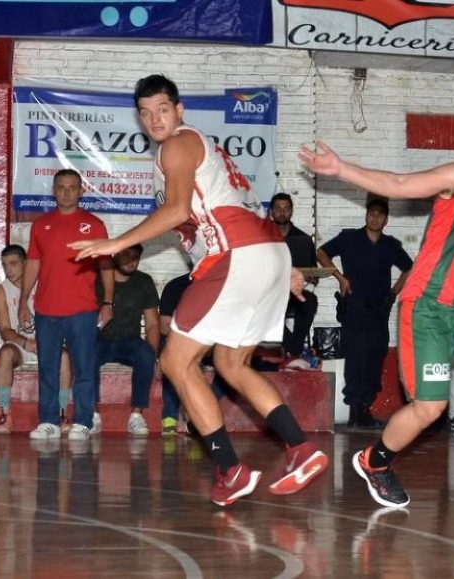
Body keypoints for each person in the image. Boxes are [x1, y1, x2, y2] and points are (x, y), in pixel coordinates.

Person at [70, 74, 327, 506]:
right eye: (146, 113)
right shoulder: (199, 157)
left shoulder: (178, 145)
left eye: (163, 110)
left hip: (237, 256)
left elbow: (174, 212)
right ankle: (301, 449)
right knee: (230, 363)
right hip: (261, 252)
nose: (155, 120)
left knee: (175, 360)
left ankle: (230, 468)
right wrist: (280, 266)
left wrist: (115, 243)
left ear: (180, 110)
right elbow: (236, 210)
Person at [299, 119, 454, 508]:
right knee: (431, 407)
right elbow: (398, 184)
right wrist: (341, 169)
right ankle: (374, 462)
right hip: (428, 309)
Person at [20, 169, 114, 441]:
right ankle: (48, 421)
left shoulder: (94, 224)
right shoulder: (41, 225)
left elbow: (106, 264)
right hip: (46, 310)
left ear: (81, 192)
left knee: (84, 368)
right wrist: (24, 300)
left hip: (82, 311)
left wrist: (108, 302)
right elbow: (34, 263)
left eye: (72, 187)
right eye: (61, 187)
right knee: (47, 369)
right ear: (53, 190)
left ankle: (82, 421)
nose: (66, 192)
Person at [317, 197, 412, 430]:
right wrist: (340, 278)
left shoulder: (390, 245)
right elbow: (321, 252)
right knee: (354, 358)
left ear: (386, 220)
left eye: (380, 215)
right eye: (372, 213)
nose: (375, 217)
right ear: (366, 215)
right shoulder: (349, 238)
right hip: (354, 308)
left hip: (379, 310)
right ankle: (354, 412)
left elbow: (411, 267)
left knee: (375, 356)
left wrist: (394, 292)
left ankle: (366, 410)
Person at [0, 245, 73, 434]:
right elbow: (4, 330)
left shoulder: (44, 284)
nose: (8, 269)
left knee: (65, 357)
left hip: (46, 344)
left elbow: (58, 320)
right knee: (5, 353)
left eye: (13, 264)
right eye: (4, 265)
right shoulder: (0, 292)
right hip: (20, 347)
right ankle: (5, 415)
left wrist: (46, 343)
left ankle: (61, 414)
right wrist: (26, 343)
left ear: (25, 263)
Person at [94, 243, 159, 436]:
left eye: (136, 258)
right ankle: (92, 414)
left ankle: (137, 416)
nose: (132, 262)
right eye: (126, 256)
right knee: (85, 354)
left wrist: (153, 355)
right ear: (115, 255)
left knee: (146, 353)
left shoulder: (144, 281)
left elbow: (153, 324)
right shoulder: (98, 280)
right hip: (101, 339)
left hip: (129, 342)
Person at [159, 271, 229, 436]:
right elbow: (164, 326)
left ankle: (198, 413)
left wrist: (208, 343)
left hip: (214, 342)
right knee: (172, 359)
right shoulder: (176, 286)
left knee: (232, 364)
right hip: (183, 341)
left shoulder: (224, 285)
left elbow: (228, 327)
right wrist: (190, 343)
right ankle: (170, 417)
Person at [269, 192, 319, 358]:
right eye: (278, 208)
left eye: (286, 208)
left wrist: (312, 277)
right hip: (270, 293)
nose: (282, 212)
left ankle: (293, 348)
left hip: (294, 291)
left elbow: (313, 272)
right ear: (271, 212)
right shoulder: (262, 237)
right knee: (264, 309)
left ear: (291, 211)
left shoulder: (303, 239)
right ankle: (296, 350)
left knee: (310, 301)